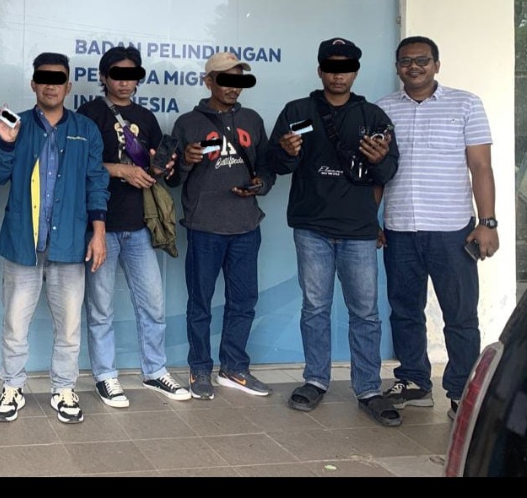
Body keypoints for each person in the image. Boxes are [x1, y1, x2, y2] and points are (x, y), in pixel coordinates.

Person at [267, 37, 401, 426]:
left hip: (358, 230)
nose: (338, 75)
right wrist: (286, 151)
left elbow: (389, 171)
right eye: (331, 67)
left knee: (365, 313)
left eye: (345, 68)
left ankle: (369, 388)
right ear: (320, 70)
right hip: (312, 227)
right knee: (315, 308)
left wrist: (380, 159)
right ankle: (315, 380)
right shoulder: (299, 111)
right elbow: (276, 163)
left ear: (354, 72)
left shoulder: (372, 116)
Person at [376, 36, 496, 420]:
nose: (414, 67)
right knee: (404, 311)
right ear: (397, 67)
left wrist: (487, 222)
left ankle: (462, 392)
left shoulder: (466, 104)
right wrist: (370, 221)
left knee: (460, 315)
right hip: (400, 228)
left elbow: (481, 167)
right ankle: (414, 381)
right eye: (406, 61)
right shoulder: (382, 109)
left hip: (453, 230)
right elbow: (377, 172)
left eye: (422, 60)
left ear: (436, 65)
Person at [0, 53, 110, 425]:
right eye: (44, 78)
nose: (51, 85)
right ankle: (12, 387)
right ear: (34, 84)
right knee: (14, 325)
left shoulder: (86, 129)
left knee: (69, 328)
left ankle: (63, 389)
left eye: (58, 79)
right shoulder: (19, 125)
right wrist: (6, 143)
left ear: (68, 86)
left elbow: (97, 183)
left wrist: (99, 233)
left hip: (69, 245)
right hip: (22, 243)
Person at [77, 46, 189, 408]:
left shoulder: (146, 117)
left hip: (139, 225)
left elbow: (157, 169)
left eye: (132, 75)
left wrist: (162, 166)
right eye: (118, 75)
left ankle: (155, 370)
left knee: (153, 304)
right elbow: (77, 165)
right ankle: (105, 376)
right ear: (104, 76)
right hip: (100, 226)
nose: (125, 82)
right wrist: (120, 170)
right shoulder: (89, 114)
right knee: (101, 309)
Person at [170, 51, 276, 401]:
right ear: (208, 81)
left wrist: (260, 184)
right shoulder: (188, 123)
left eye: (238, 80)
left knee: (243, 301)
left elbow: (267, 168)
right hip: (205, 227)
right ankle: (200, 369)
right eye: (226, 80)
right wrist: (186, 161)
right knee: (200, 303)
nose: (233, 87)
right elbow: (171, 178)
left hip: (246, 225)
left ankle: (234, 368)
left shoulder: (252, 120)